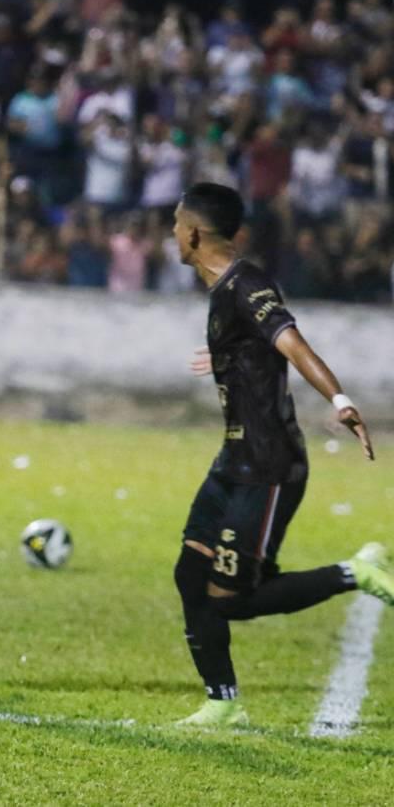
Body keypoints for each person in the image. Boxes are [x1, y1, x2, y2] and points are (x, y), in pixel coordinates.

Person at [170, 182, 387, 727]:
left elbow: (291, 342)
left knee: (230, 598)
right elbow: (256, 350)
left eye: (176, 223)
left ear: (194, 233)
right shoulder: (222, 289)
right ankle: (222, 703)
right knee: (189, 576)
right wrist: (225, 358)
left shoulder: (246, 286)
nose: (171, 233)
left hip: (267, 465)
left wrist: (339, 398)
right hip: (232, 460)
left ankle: (353, 572)